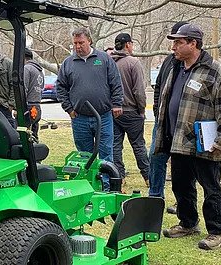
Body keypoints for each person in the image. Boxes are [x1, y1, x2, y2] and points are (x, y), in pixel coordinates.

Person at [155, 24, 221, 250]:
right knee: (181, 187)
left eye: (179, 43)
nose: (174, 47)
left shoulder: (215, 71)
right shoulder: (176, 68)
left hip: (205, 143)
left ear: (194, 44)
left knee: (211, 187)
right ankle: (188, 223)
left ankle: (218, 231)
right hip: (178, 140)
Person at [56, 27, 123, 191]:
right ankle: (87, 187)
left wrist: (117, 103)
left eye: (81, 42)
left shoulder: (104, 59)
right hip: (80, 118)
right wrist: (69, 108)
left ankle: (106, 188)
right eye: (75, 43)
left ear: (89, 41)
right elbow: (61, 87)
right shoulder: (68, 63)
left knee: (106, 153)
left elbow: (115, 82)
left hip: (104, 116)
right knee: (84, 155)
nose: (78, 46)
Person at [148, 21, 188, 214]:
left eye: (177, 41)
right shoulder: (168, 61)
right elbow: (158, 88)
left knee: (183, 168)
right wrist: (158, 112)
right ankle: (155, 198)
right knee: (156, 158)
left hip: (183, 127)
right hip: (163, 124)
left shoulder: (193, 66)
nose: (173, 46)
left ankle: (184, 204)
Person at [110, 33, 149, 187]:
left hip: (114, 112)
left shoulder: (109, 62)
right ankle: (148, 177)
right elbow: (139, 90)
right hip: (132, 110)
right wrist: (141, 110)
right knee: (138, 145)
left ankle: (119, 177)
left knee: (115, 145)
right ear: (127, 45)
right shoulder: (133, 63)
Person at [23, 48, 44, 139]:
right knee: (34, 134)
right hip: (37, 106)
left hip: (28, 106)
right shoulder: (39, 71)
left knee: (25, 135)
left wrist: (18, 107)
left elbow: (23, 88)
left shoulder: (27, 68)